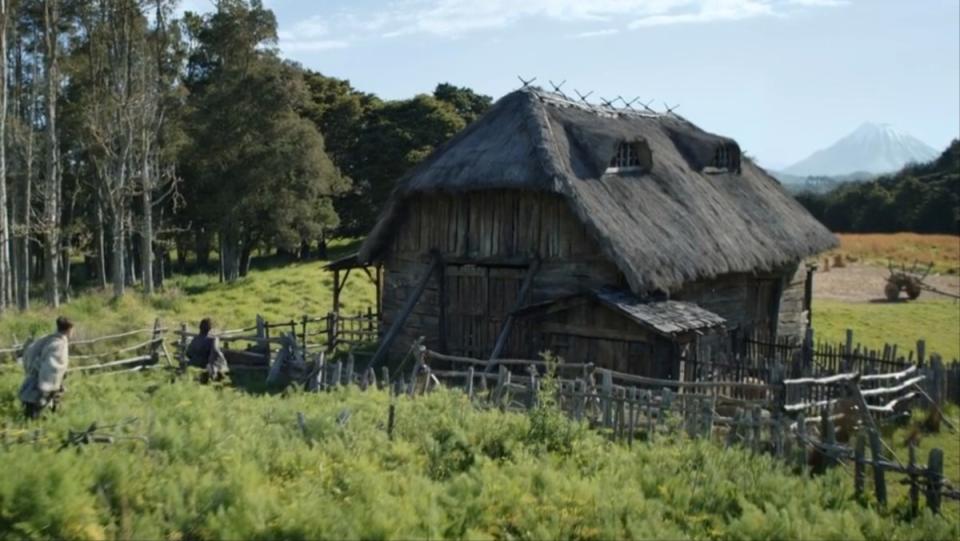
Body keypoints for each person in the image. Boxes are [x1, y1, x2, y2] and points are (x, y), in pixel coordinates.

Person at [19, 317, 74, 419]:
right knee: (39, 407)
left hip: (35, 377)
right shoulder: (59, 344)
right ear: (69, 329)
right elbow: (53, 366)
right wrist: (47, 387)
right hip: (43, 382)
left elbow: (29, 353)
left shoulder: (47, 339)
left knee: (40, 407)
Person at [185, 318, 230, 383]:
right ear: (210, 329)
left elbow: (188, 353)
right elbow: (216, 352)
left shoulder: (195, 339)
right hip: (204, 366)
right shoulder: (211, 340)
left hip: (191, 365)